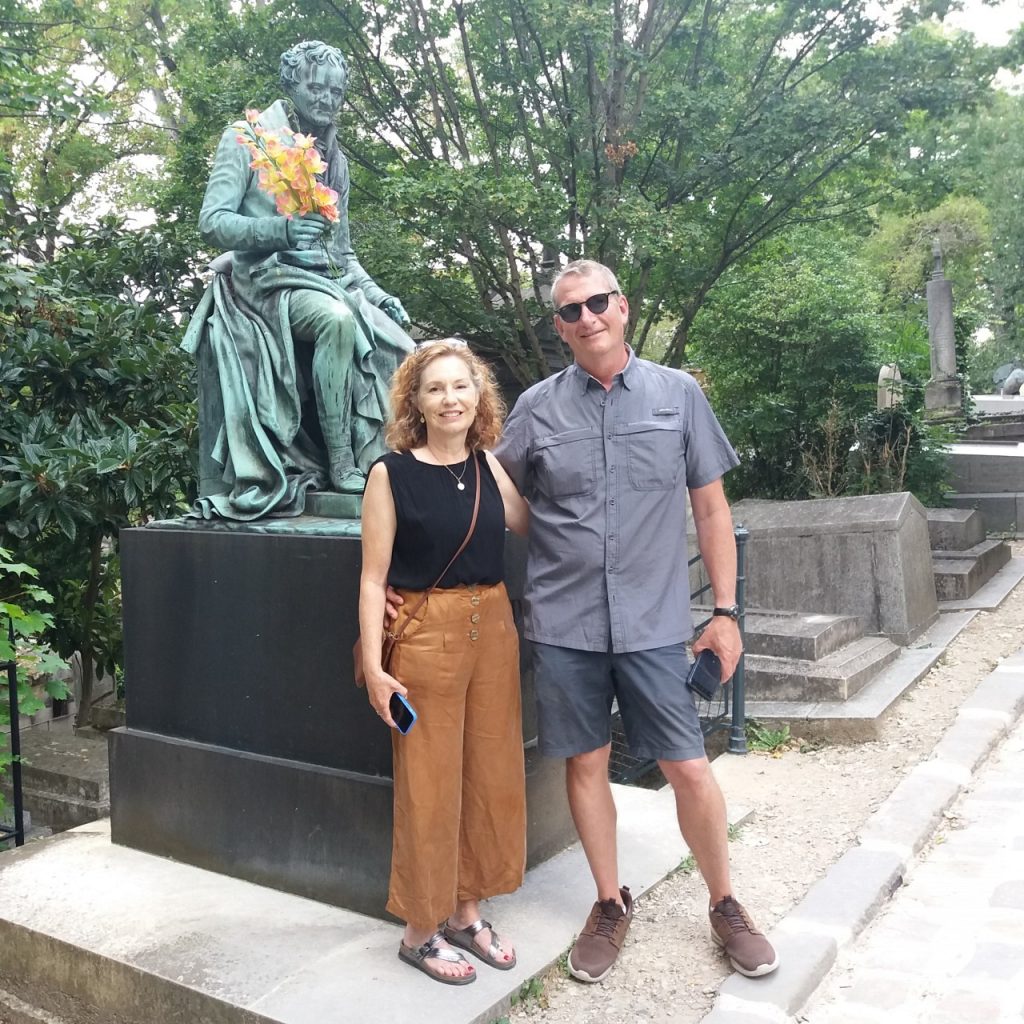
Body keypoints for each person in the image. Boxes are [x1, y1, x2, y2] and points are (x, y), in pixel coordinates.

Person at [493, 259, 779, 982]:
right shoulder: (535, 408)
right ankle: (610, 901)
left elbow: (711, 509)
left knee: (687, 766)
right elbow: (494, 496)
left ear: (622, 307)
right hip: (565, 623)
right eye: (568, 311)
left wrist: (724, 613)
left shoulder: (678, 395)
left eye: (596, 303)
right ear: (559, 328)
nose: (585, 317)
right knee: (586, 763)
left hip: (654, 623)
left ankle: (725, 903)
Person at [182, 40, 414, 520]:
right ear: (290, 84)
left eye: (336, 91)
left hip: (326, 280)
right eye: (316, 87)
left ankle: (390, 469)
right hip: (262, 282)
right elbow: (212, 221)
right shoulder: (248, 138)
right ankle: (342, 464)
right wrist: (279, 230)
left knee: (405, 348)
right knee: (337, 322)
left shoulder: (336, 157)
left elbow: (343, 253)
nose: (327, 99)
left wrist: (377, 294)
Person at [359, 340, 530, 986]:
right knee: (429, 781)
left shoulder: (490, 467)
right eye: (435, 388)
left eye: (462, 386)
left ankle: (466, 911)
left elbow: (535, 526)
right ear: (415, 402)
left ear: (478, 396)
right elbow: (373, 580)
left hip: (494, 630)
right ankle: (419, 931)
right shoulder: (392, 473)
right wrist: (376, 668)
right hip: (426, 635)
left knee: (488, 774)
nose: (451, 398)